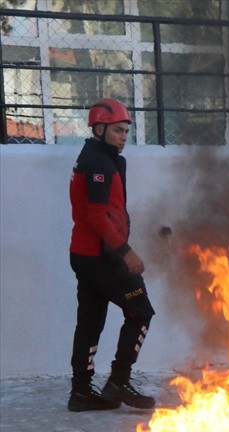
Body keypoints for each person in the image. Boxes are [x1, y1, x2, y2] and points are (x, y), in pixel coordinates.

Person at [67, 98, 156, 411]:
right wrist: (124, 251)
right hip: (101, 257)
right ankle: (119, 380)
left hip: (86, 255)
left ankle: (81, 392)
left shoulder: (103, 158)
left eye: (126, 130)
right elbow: (96, 215)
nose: (123, 136)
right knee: (140, 311)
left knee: (90, 322)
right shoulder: (98, 165)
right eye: (118, 130)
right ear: (99, 129)